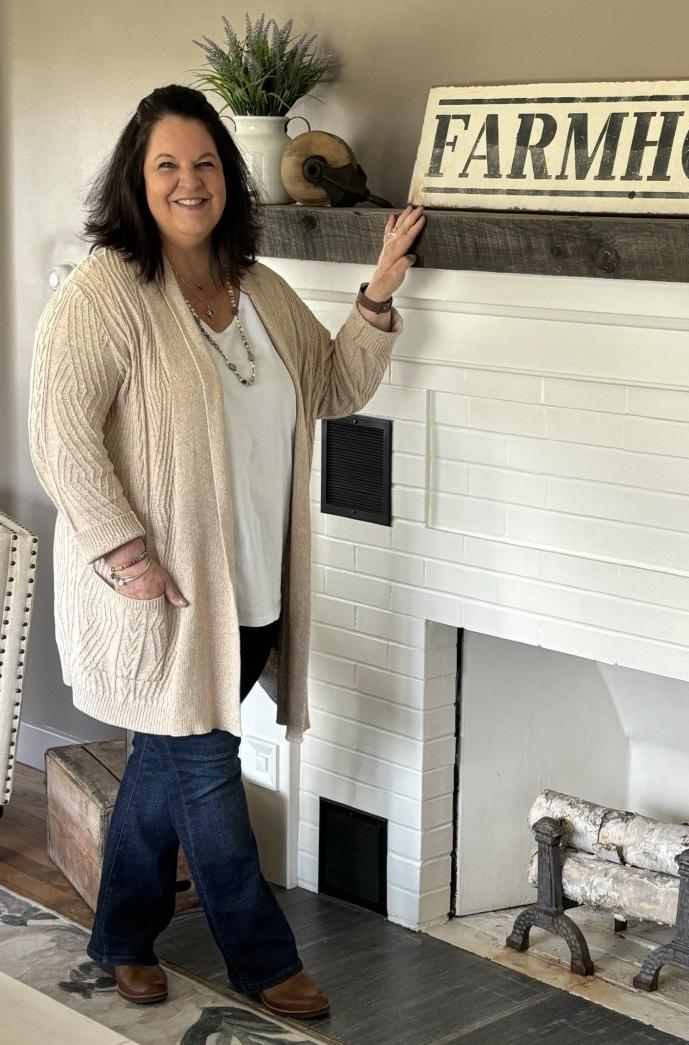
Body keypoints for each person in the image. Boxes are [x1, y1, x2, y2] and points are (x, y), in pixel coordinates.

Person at [27, 84, 425, 1020]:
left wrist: (379, 290)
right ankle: (261, 958)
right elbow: (61, 433)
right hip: (163, 597)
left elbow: (329, 387)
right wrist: (123, 551)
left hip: (254, 589)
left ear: (228, 178)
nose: (188, 180)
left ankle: (122, 937)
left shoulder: (261, 291)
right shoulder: (107, 295)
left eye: (205, 162)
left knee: (167, 768)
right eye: (166, 164)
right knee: (205, 766)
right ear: (137, 178)